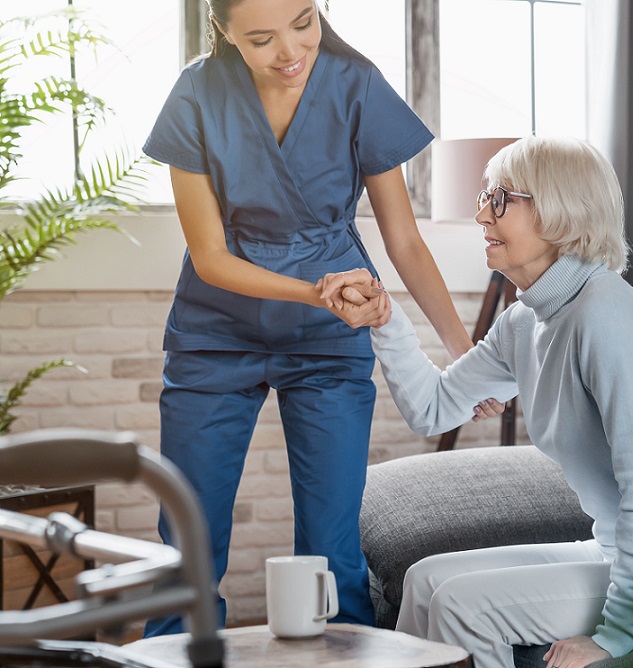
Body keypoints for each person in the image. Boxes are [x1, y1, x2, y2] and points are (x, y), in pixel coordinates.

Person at [321, 136, 633, 668]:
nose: (481, 212)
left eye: (501, 199)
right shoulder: (526, 322)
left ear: (560, 212)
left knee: (465, 607)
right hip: (618, 549)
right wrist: (385, 320)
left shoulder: (605, 318)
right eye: (486, 196)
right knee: (424, 579)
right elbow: (433, 408)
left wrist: (614, 634)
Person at [141, 0, 498, 636]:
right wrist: (316, 292)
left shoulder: (355, 85)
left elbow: (406, 242)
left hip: (331, 339)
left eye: (304, 22)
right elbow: (210, 255)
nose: (290, 51)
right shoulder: (196, 93)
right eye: (261, 37)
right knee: (185, 549)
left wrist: (463, 356)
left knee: (334, 552)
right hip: (217, 333)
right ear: (222, 30)